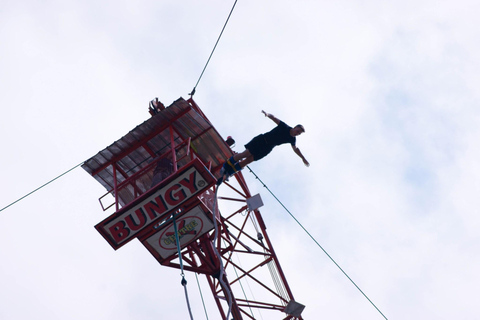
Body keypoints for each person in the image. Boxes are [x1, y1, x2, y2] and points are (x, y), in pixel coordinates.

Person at [220, 110, 309, 180]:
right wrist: (267, 114)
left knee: (249, 160)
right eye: (297, 131)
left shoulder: (292, 139)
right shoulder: (284, 127)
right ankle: (226, 166)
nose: (297, 134)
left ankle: (229, 172)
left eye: (299, 134)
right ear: (294, 127)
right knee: (245, 154)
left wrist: (303, 158)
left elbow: (295, 149)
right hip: (262, 140)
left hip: (268, 148)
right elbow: (274, 118)